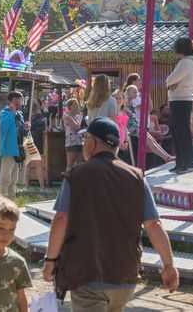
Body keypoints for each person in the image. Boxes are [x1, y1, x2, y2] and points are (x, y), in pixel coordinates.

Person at [42, 118, 178, 310]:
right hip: (124, 277)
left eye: (85, 139)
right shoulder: (137, 177)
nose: (83, 144)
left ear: (92, 142)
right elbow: (154, 225)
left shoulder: (77, 175)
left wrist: (51, 260)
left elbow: (62, 219)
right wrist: (168, 264)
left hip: (87, 274)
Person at [165, 38, 193, 174]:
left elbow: (170, 80)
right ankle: (181, 162)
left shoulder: (186, 62)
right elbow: (173, 81)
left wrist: (170, 84)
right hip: (181, 98)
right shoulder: (190, 62)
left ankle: (187, 163)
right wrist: (172, 84)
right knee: (178, 131)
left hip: (180, 98)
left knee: (181, 131)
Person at [0, 92, 25, 200]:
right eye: (16, 100)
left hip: (18, 150)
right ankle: (3, 205)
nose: (18, 102)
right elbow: (3, 127)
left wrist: (26, 128)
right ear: (10, 101)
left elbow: (21, 132)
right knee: (5, 180)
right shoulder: (4, 113)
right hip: (8, 150)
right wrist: (11, 113)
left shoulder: (20, 114)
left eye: (20, 100)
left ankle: (11, 205)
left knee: (14, 181)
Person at [62, 97, 85, 170]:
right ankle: (67, 181)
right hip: (71, 143)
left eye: (77, 104)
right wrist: (83, 124)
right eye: (75, 104)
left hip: (80, 142)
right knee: (70, 165)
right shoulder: (67, 116)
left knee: (80, 165)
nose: (77, 106)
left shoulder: (80, 116)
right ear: (70, 106)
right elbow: (76, 127)